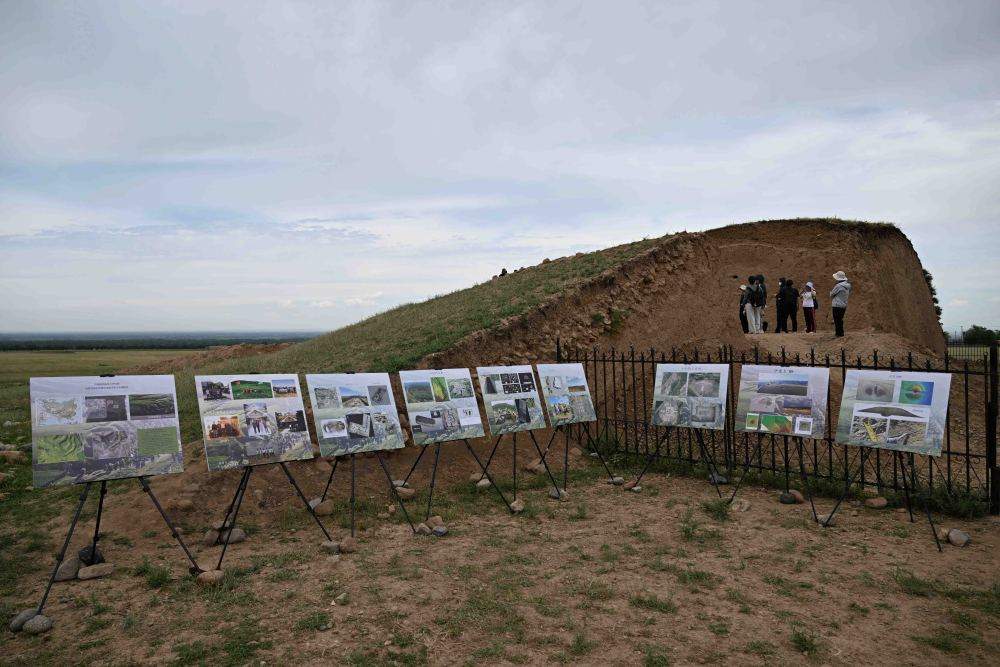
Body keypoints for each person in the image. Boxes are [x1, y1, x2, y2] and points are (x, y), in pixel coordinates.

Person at [830, 270, 851, 337]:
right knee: (840, 319)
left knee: (836, 320)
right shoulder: (848, 285)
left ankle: (838, 334)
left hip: (836, 305)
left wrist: (831, 293)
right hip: (844, 305)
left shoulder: (838, 286)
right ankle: (841, 333)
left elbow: (832, 294)